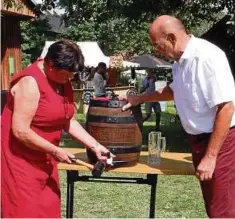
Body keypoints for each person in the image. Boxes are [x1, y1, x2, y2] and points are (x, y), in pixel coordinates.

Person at [122, 15, 235, 218]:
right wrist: (140, 98)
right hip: (200, 141)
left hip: (221, 143)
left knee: (223, 210)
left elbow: (226, 107)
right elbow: (174, 90)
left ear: (172, 38)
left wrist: (210, 157)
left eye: (158, 45)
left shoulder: (206, 56)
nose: (156, 50)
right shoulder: (180, 63)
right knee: (214, 207)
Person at [1, 40, 113, 218]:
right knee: (25, 211)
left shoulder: (61, 80)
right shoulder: (29, 83)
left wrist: (95, 145)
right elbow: (20, 130)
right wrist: (55, 150)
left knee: (49, 209)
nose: (69, 80)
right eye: (66, 76)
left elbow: (66, 119)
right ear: (50, 65)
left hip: (45, 158)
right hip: (20, 161)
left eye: (71, 76)